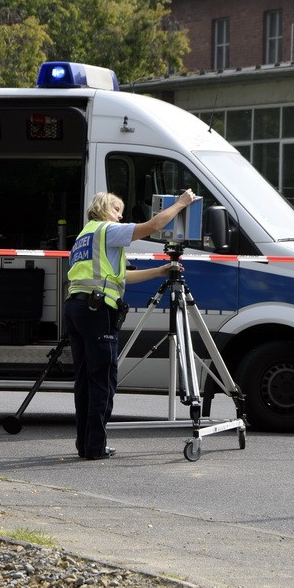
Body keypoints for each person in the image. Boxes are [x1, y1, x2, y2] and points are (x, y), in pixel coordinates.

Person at [65, 189, 198, 460]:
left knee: (85, 381)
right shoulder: (107, 229)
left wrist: (160, 271)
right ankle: (95, 447)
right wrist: (182, 203)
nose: (121, 215)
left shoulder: (85, 236)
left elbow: (122, 277)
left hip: (78, 308)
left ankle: (86, 444)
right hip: (97, 310)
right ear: (104, 209)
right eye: (117, 209)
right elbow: (153, 226)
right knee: (102, 380)